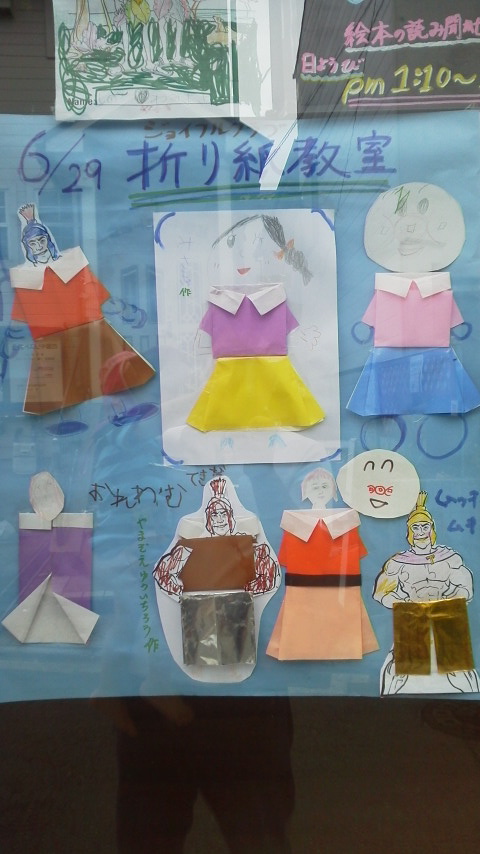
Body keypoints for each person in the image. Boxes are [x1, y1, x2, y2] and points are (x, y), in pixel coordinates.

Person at [373, 491, 478, 694]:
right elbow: (381, 592)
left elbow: (465, 586)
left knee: (461, 678)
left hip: (447, 618)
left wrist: (450, 600)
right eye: (416, 527)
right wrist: (402, 603)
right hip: (412, 620)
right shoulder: (398, 562)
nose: (420, 532)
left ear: (432, 529)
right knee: (403, 679)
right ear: (409, 531)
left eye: (424, 526)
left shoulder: (449, 558)